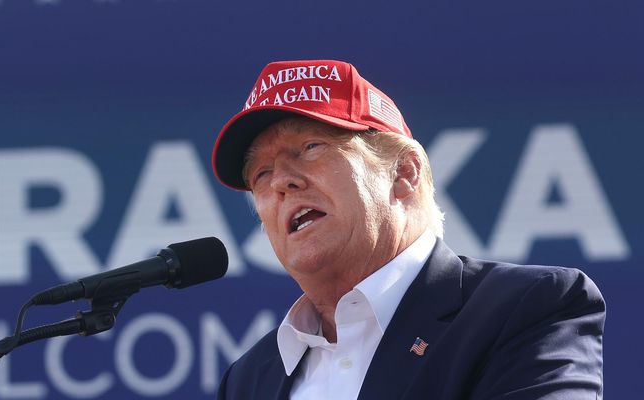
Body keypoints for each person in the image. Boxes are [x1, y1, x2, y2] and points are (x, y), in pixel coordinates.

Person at [211, 60, 604, 399]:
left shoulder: (526, 308)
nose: (281, 181)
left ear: (403, 173)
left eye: (311, 147)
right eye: (261, 173)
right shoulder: (248, 380)